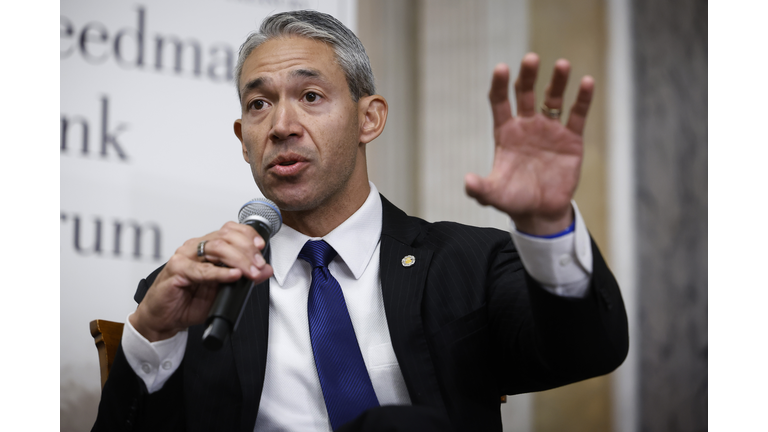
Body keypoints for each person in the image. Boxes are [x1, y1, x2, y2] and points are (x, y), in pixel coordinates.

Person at [92, 10, 628, 432]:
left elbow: (587, 351)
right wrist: (152, 335)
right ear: (243, 139)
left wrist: (548, 226)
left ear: (368, 118)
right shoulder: (195, 294)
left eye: (309, 96)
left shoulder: (468, 264)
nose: (281, 125)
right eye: (258, 104)